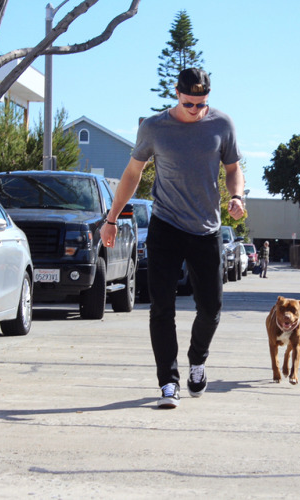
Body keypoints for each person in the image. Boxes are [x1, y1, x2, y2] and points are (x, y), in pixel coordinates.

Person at [100, 68, 245, 409]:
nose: (196, 110)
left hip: (206, 229)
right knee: (161, 307)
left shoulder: (222, 124)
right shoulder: (154, 127)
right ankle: (168, 381)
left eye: (202, 104)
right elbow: (132, 173)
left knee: (210, 309)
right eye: (190, 103)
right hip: (165, 225)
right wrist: (111, 218)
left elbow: (234, 168)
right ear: (176, 93)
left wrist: (236, 197)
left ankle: (197, 360)